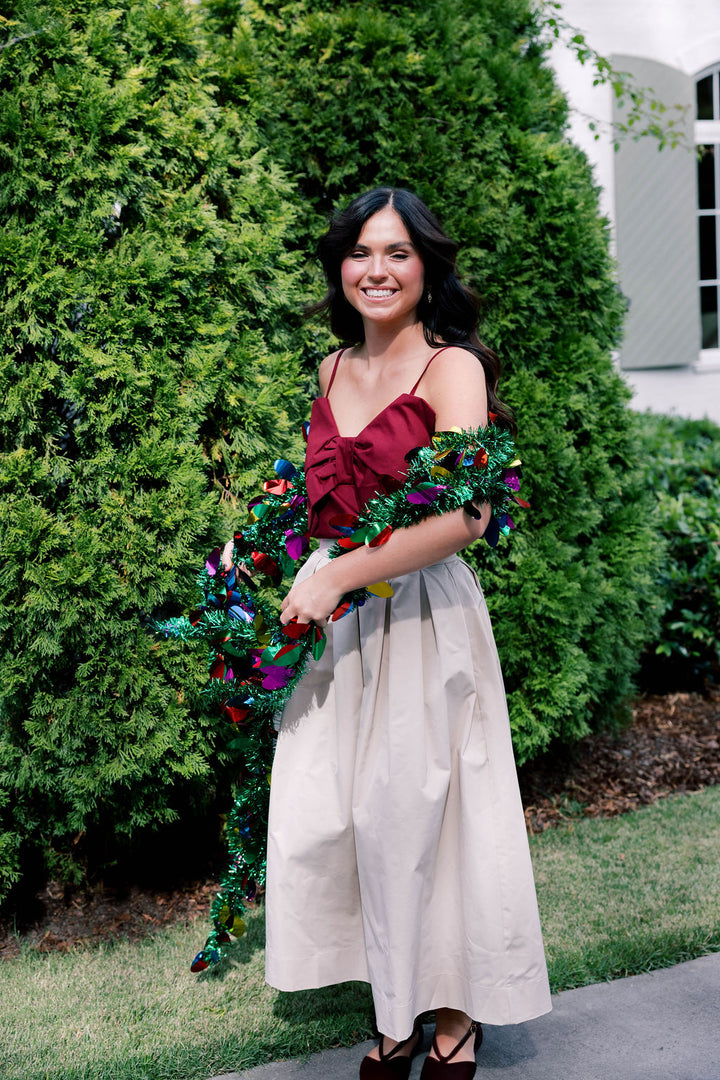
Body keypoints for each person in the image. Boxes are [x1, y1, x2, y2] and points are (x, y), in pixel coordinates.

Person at [264, 187, 551, 1080]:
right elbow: (324, 502)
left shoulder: (450, 369)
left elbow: (468, 514)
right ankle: (395, 1013)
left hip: (424, 618)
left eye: (396, 253)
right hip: (342, 631)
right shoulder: (328, 369)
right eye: (360, 252)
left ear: (426, 268)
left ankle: (458, 1018)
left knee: (431, 817)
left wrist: (342, 574)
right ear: (338, 266)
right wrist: (284, 568)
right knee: (346, 819)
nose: (376, 270)